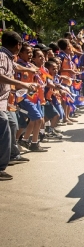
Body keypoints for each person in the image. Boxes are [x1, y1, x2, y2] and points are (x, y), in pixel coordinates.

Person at [0, 31, 38, 181]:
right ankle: (1, 167)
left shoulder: (7, 56)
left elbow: (15, 67)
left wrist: (28, 69)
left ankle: (13, 154)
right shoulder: (2, 56)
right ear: (18, 45)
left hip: (4, 102)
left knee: (12, 125)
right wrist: (22, 84)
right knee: (4, 127)